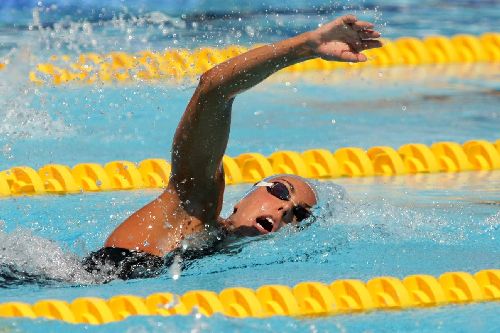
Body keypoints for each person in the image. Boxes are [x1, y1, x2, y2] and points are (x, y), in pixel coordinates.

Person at [82, 15, 382, 280]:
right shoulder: (195, 206)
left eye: (299, 215)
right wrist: (305, 47)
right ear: (245, 198)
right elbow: (214, 90)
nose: (285, 208)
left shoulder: (219, 255)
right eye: (280, 191)